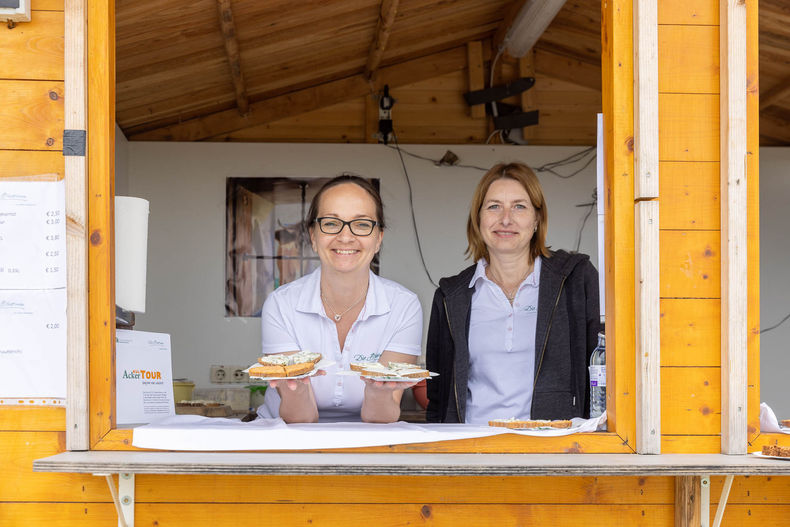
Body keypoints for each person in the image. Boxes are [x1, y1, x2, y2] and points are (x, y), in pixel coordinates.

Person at [425, 162, 600, 424]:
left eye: (519, 206)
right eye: (494, 206)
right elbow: (437, 395)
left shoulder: (575, 278)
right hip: (470, 447)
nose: (505, 219)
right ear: (478, 218)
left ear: (537, 218)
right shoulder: (452, 296)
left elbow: (603, 368)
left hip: (554, 447)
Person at [257, 174, 422, 423]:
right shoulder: (281, 305)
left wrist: (379, 391)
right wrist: (296, 386)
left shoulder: (404, 306)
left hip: (368, 443)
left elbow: (382, 418)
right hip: (287, 440)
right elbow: (299, 418)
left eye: (362, 224)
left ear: (378, 239)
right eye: (332, 223)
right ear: (313, 236)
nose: (346, 237)